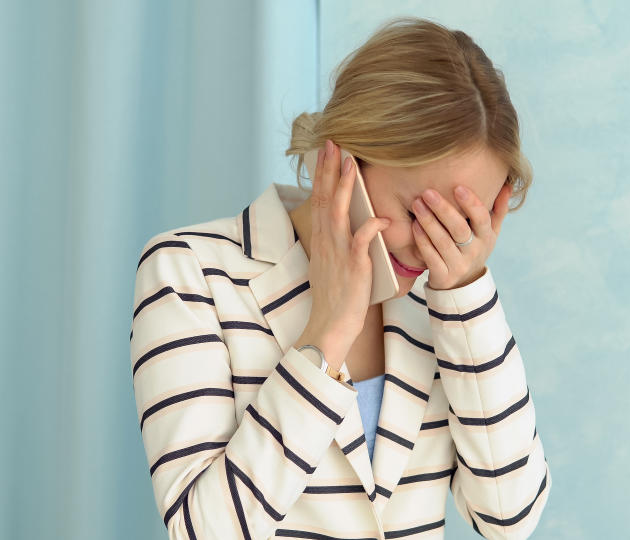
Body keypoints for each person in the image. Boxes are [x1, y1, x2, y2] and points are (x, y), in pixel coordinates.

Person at [130, 16, 551, 540]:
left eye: (460, 222)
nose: (430, 247)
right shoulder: (190, 273)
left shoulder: (443, 312)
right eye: (417, 212)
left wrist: (468, 300)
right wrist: (325, 337)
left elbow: (509, 520)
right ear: (344, 154)